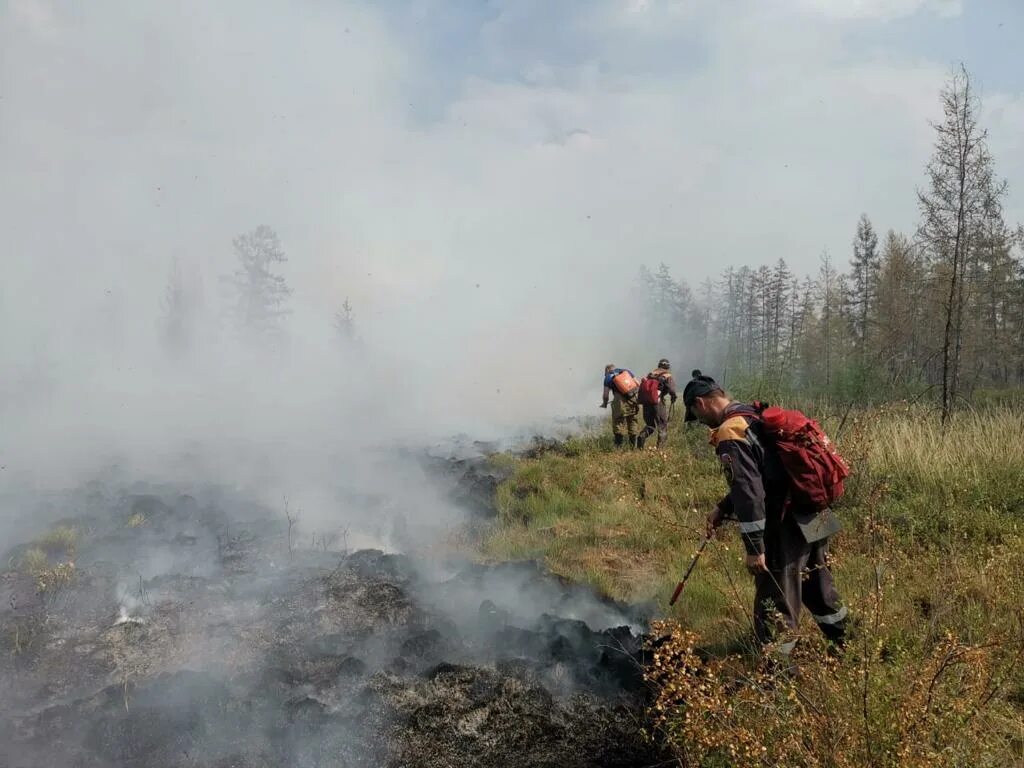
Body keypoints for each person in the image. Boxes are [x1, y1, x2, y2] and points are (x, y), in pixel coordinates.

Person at [683, 373, 848, 650]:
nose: (700, 423)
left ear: (700, 403)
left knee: (774, 601)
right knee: (820, 589)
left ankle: (776, 678)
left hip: (786, 525)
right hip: (814, 512)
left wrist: (754, 547)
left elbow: (750, 494)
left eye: (696, 415)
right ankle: (851, 647)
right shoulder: (754, 415)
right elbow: (766, 474)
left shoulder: (730, 431)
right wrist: (722, 508)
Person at [637, 358, 677, 449]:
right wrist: (673, 397)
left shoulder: (650, 374)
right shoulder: (667, 375)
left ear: (659, 365)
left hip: (647, 403)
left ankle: (641, 438)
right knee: (662, 426)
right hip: (658, 403)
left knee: (650, 425)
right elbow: (672, 390)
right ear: (667, 367)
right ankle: (660, 450)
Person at [601, 364, 641, 448]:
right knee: (632, 420)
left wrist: (605, 403)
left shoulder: (608, 377)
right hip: (632, 399)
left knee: (618, 422)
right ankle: (633, 446)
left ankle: (618, 446)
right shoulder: (626, 371)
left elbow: (605, 395)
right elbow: (637, 384)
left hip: (619, 402)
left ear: (607, 370)